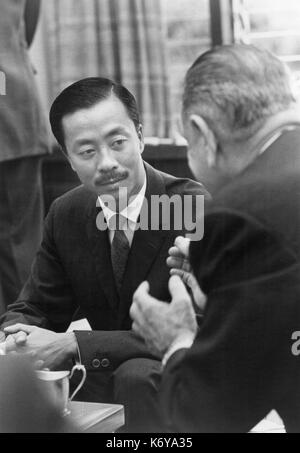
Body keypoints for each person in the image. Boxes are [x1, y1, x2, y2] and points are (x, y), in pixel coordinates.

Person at [0, 77, 209, 432]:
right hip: (103, 368)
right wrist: (17, 337)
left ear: (140, 137)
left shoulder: (188, 206)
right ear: (68, 159)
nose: (107, 162)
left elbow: (197, 327)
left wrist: (73, 344)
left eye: (117, 142)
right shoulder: (67, 213)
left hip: (181, 372)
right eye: (87, 151)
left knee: (136, 375)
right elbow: (36, 305)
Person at [130, 44, 300, 433]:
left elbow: (205, 420)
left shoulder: (239, 214)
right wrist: (229, 294)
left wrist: (178, 340)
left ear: (203, 135)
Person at [0, 0, 49, 314]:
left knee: (21, 242)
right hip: (13, 98)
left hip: (12, 113)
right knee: (21, 239)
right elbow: (26, 27)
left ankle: (23, 336)